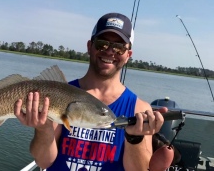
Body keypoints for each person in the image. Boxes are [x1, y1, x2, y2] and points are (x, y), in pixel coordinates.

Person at [14, 12, 167, 171]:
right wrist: (43, 129)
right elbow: (44, 162)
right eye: (102, 43)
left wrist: (135, 137)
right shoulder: (59, 94)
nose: (109, 51)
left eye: (119, 47)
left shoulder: (139, 109)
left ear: (128, 55)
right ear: (89, 46)